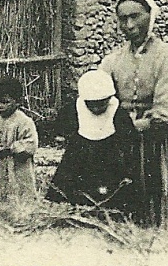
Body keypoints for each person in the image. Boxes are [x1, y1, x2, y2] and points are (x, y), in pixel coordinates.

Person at [98, 0, 168, 234]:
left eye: (136, 16)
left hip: (159, 145)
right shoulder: (112, 61)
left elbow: (167, 114)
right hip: (122, 143)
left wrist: (130, 126)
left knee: (159, 210)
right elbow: (99, 96)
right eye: (123, 19)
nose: (129, 24)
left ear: (150, 16)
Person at [46, 69, 138, 216]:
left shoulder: (118, 112)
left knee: (111, 189)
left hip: (109, 154)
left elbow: (128, 138)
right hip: (80, 152)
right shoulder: (74, 108)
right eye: (92, 104)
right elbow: (62, 125)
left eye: (101, 104)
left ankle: (111, 210)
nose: (96, 108)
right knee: (72, 185)